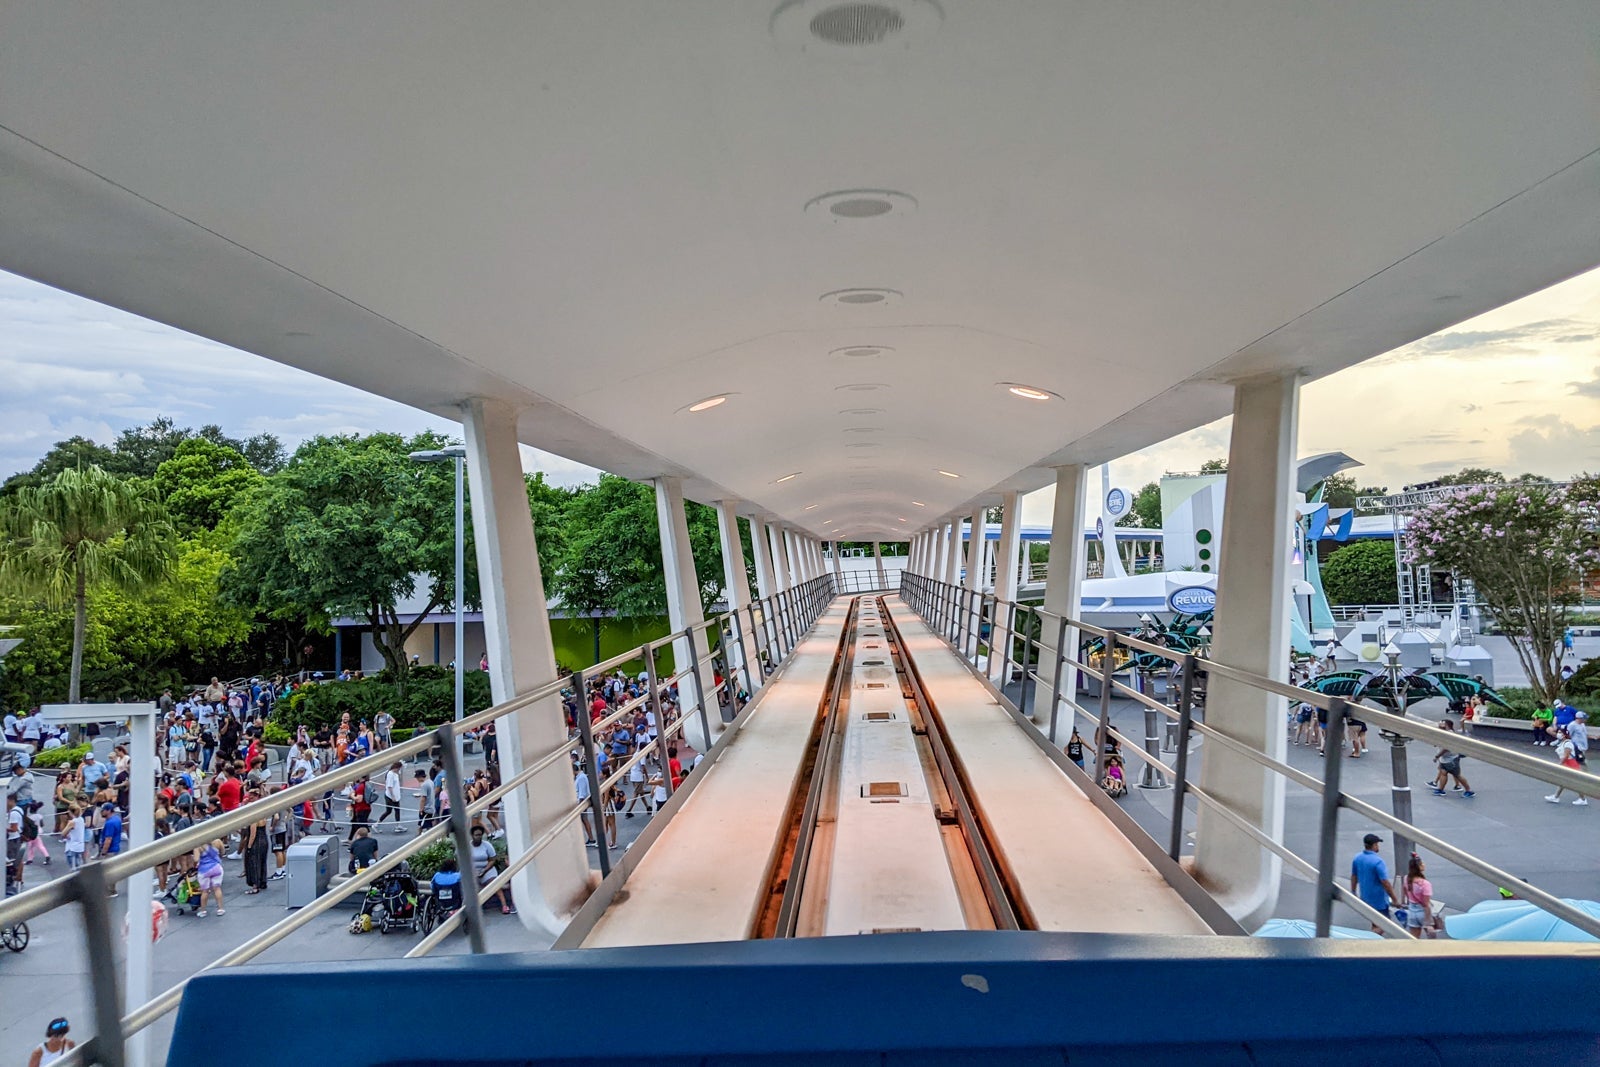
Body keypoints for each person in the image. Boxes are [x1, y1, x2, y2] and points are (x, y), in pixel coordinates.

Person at [1349, 833, 1399, 933]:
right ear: (1374, 845)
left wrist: (1353, 892)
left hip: (1366, 898)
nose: (1378, 846)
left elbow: (1354, 876)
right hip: (1379, 901)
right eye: (1377, 844)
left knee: (1375, 922)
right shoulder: (1378, 862)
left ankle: (1374, 940)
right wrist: (1394, 899)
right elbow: (1385, 882)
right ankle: (1370, 941)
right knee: (1385, 925)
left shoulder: (1358, 858)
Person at [469, 825, 514, 914]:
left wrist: (484, 870)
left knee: (494, 883)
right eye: (476, 835)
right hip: (473, 871)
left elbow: (493, 859)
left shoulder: (487, 845)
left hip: (487, 869)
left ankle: (504, 905)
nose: (478, 837)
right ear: (472, 835)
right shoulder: (468, 846)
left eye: (480, 835)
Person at [1429, 719, 1475, 798]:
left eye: (1442, 723)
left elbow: (1446, 748)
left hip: (1451, 759)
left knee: (1457, 775)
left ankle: (1469, 790)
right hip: (1445, 759)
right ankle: (1441, 790)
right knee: (1443, 773)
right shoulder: (1444, 733)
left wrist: (1437, 756)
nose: (1439, 723)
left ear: (1446, 724)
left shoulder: (1450, 734)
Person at [1545, 727, 1589, 806]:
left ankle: (1582, 799)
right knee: (1564, 781)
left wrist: (1559, 764)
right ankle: (1556, 796)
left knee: (1574, 782)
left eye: (1560, 732)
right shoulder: (1563, 743)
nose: (1558, 734)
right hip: (1568, 764)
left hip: (1571, 764)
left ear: (1565, 734)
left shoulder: (1568, 743)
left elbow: (1566, 756)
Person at [1402, 854, 1435, 939]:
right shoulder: (1425, 884)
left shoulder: (1406, 878)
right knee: (1432, 939)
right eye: (1422, 864)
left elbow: (1405, 892)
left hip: (1412, 911)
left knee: (1414, 939)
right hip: (1423, 913)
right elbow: (1425, 904)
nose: (1424, 864)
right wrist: (1428, 922)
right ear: (1418, 868)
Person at [194, 838, 225, 917]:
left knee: (205, 891)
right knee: (217, 888)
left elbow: (196, 859)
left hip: (204, 871)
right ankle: (220, 909)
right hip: (216, 867)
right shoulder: (218, 841)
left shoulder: (198, 846)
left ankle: (203, 911)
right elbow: (223, 852)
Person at [378, 762, 405, 832]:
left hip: (395, 796)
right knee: (388, 811)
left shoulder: (395, 774)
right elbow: (389, 786)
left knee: (397, 810)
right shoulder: (390, 774)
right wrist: (393, 796)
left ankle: (398, 825)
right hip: (390, 796)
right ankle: (377, 824)